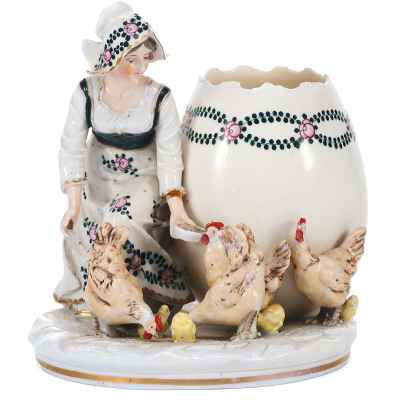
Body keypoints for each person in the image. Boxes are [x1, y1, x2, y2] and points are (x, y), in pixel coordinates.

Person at [55, 2, 196, 312]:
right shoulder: (87, 92)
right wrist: (74, 203)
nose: (141, 68)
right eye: (131, 60)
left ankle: (148, 293)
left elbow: (170, 153)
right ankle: (99, 296)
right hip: (98, 177)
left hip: (142, 176)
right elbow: (72, 146)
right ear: (110, 57)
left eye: (145, 58)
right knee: (88, 224)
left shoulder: (159, 97)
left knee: (118, 222)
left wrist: (176, 207)